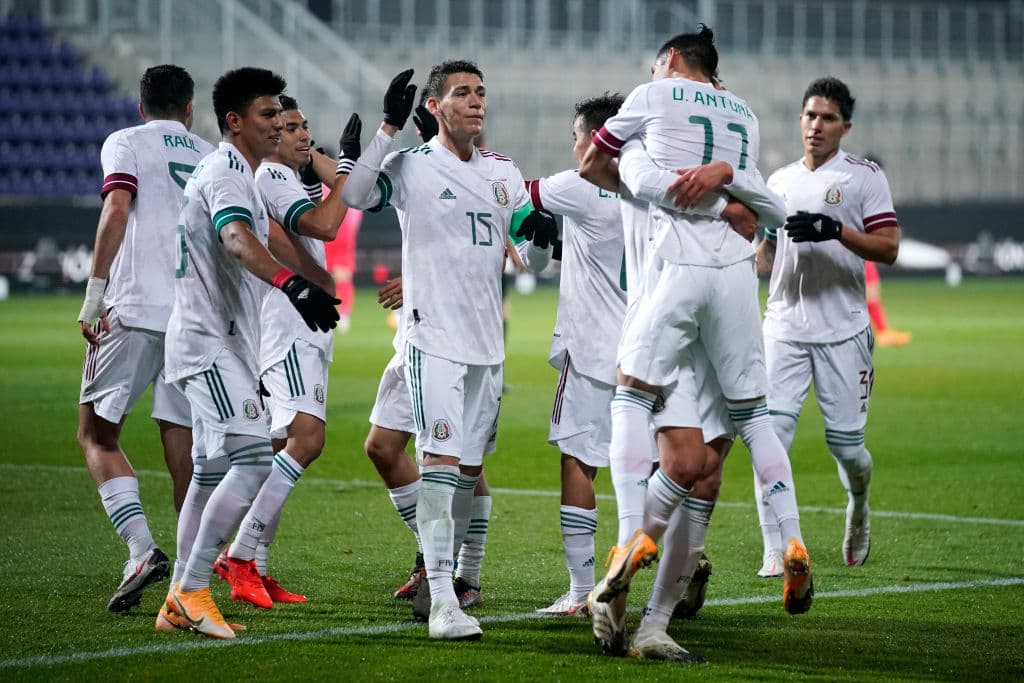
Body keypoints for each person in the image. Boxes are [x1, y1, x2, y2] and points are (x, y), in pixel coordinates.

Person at [579, 25, 814, 646]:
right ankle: (631, 603)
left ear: (672, 63)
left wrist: (716, 182)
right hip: (717, 299)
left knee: (697, 468)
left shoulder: (649, 131)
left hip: (678, 305)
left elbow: (600, 157)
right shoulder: (733, 128)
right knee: (693, 464)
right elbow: (761, 215)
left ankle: (643, 600)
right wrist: (729, 181)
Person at [343, 62, 538, 640]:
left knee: (468, 468)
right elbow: (354, 194)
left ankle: (461, 577)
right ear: (434, 106)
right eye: (462, 93)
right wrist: (384, 131)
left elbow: (532, 256)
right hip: (432, 339)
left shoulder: (505, 173)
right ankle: (444, 602)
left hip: (487, 346)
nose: (476, 101)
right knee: (439, 465)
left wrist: (544, 240)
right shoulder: (411, 166)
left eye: (481, 91)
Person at [160, 67, 339, 640]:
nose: (276, 124)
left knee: (212, 472)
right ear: (235, 122)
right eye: (266, 115)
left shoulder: (241, 170)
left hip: (228, 341)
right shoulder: (226, 171)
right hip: (208, 342)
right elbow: (237, 239)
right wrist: (291, 284)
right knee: (255, 459)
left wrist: (306, 281)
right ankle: (192, 588)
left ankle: (176, 601)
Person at [75, 64, 213, 614]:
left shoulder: (126, 142)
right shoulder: (209, 154)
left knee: (96, 435)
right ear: (189, 108)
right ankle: (189, 580)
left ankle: (140, 551)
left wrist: (93, 293)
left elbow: (116, 206)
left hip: (134, 309)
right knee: (184, 453)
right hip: (194, 317)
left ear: (141, 106)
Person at [212, 95, 358, 607]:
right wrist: (344, 168)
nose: (300, 135)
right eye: (289, 126)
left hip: (295, 323)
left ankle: (257, 565)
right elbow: (325, 225)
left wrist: (338, 164)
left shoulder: (284, 176)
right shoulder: (273, 175)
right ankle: (239, 554)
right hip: (289, 327)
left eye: (305, 126)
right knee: (308, 440)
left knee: (281, 448)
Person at [754, 76, 900, 572]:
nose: (816, 126)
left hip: (843, 331)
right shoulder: (778, 181)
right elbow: (766, 257)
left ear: (846, 127)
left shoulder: (863, 178)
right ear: (800, 120)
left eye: (828, 118)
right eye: (810, 116)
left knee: (847, 447)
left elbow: (890, 247)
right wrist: (762, 244)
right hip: (783, 328)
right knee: (769, 437)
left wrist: (836, 230)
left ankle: (858, 503)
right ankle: (776, 547)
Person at [516, 93, 628, 617]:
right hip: (648, 355)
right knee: (647, 470)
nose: (574, 146)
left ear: (597, 138)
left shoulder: (579, 184)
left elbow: (508, 195)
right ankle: (682, 563)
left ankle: (583, 589)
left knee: (578, 463)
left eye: (576, 136)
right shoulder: (651, 188)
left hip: (590, 350)